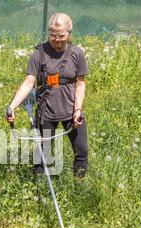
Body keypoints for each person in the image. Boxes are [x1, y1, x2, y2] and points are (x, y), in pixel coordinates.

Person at [6, 12, 89, 179]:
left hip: (71, 111)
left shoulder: (77, 54)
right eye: (53, 35)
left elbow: (80, 84)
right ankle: (39, 191)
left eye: (61, 35)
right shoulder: (39, 53)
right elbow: (29, 82)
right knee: (41, 156)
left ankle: (79, 188)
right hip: (46, 112)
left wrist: (78, 109)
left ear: (69, 33)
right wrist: (12, 106)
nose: (57, 39)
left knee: (82, 151)